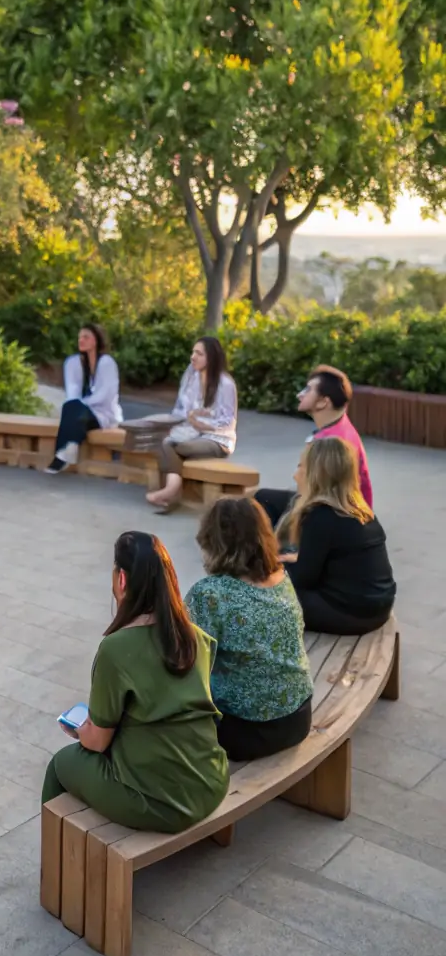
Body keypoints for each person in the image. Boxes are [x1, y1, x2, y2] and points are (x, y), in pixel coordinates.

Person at [42, 531, 229, 833]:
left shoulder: (116, 649)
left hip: (161, 803)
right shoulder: (195, 637)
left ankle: (56, 870)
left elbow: (98, 741)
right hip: (212, 781)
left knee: (61, 764)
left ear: (123, 580)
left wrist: (81, 730)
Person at [185, 497, 313, 760]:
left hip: (246, 731)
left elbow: (182, 664)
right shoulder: (280, 577)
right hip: (298, 717)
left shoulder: (210, 594)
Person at [278, 437, 395, 635]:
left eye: (300, 468)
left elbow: (301, 579)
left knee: (261, 592)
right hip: (377, 609)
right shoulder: (360, 512)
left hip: (350, 615)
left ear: (315, 475)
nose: (295, 476)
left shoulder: (321, 516)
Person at [255, 365, 373, 530]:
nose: (299, 394)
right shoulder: (340, 424)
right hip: (344, 509)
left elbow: (317, 496)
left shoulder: (332, 442)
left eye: (308, 390)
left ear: (324, 401)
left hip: (341, 516)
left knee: (263, 500)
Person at [146, 336, 237, 512]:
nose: (193, 357)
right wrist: (175, 422)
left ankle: (171, 490)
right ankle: (172, 491)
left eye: (199, 353)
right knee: (164, 439)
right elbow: (182, 409)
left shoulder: (225, 384)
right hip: (192, 433)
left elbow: (227, 421)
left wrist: (199, 423)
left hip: (217, 439)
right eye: (193, 352)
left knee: (172, 445)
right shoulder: (192, 377)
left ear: (211, 358)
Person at [44, 324, 123, 475]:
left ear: (95, 341)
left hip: (104, 414)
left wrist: (82, 404)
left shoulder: (107, 363)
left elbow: (106, 395)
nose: (81, 340)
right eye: (79, 337)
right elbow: (72, 393)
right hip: (82, 412)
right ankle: (69, 447)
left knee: (75, 409)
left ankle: (62, 456)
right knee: (70, 407)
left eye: (86, 337)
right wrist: (78, 404)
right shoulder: (73, 363)